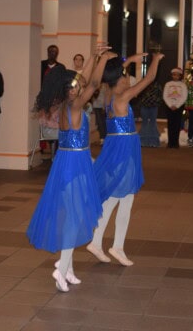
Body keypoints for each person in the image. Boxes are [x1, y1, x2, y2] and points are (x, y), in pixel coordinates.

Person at [27, 48, 112, 293]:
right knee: (74, 218)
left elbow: (84, 78)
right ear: (67, 90)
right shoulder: (74, 106)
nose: (77, 88)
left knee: (70, 213)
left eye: (76, 86)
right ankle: (61, 269)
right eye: (73, 86)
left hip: (69, 161)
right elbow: (93, 82)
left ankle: (70, 269)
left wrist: (94, 57)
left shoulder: (65, 104)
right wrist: (103, 59)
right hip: (74, 164)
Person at [87, 52, 164, 267]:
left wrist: (129, 60)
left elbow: (116, 74)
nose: (127, 78)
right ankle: (116, 246)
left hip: (116, 146)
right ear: (119, 79)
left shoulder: (110, 93)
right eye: (124, 76)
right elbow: (148, 80)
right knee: (126, 198)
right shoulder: (123, 96)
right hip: (124, 149)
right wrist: (155, 60)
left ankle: (97, 241)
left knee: (114, 197)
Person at [163, 68, 188, 149]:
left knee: (177, 124)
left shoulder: (183, 85)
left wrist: (177, 105)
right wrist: (170, 105)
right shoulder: (168, 84)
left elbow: (184, 96)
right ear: (172, 75)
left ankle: (175, 143)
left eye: (177, 75)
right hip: (169, 106)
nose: (175, 76)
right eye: (174, 75)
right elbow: (165, 96)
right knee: (170, 124)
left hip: (179, 107)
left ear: (180, 76)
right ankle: (170, 142)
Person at [138, 81, 162, 148]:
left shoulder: (157, 85)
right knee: (144, 123)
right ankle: (142, 142)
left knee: (153, 123)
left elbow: (160, 96)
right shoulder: (143, 84)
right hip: (144, 106)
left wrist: (156, 103)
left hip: (154, 107)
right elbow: (139, 94)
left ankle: (154, 142)